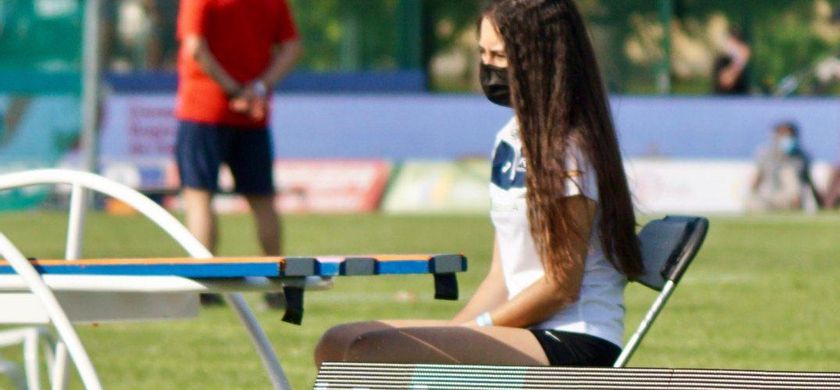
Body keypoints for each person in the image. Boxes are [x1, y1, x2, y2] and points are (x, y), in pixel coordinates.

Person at [314, 0, 641, 368]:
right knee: (337, 343)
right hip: (518, 332)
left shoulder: (569, 149)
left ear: (541, 58)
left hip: (573, 338)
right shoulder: (511, 138)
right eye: (483, 53)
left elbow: (559, 288)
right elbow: (500, 279)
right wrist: (452, 334)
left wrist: (471, 333)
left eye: (499, 55)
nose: (488, 67)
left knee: (367, 351)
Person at [174, 0, 300, 265]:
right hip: (253, 114)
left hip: (204, 110)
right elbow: (292, 48)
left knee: (199, 197)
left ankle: (204, 285)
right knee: (262, 201)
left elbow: (195, 47)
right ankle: (277, 284)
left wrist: (233, 90)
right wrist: (258, 88)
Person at [747, 122, 821, 212]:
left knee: (789, 173)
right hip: (771, 196)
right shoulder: (766, 154)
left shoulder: (801, 157)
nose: (787, 139)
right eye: (783, 135)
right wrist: (751, 195)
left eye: (790, 136)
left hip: (790, 200)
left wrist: (820, 203)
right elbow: (758, 178)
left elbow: (808, 181)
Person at [712, 26, 752, 96]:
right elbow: (725, 81)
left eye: (737, 41)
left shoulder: (743, 62)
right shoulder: (721, 60)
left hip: (739, 97)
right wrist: (739, 62)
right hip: (721, 98)